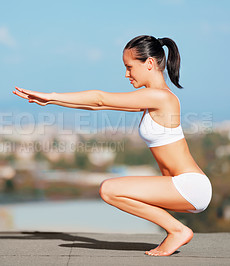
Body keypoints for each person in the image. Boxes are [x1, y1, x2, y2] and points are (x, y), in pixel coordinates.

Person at [13, 35, 212, 256]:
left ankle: (177, 230)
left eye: (129, 67)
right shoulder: (152, 99)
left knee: (109, 189)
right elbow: (97, 107)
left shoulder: (161, 98)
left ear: (149, 63)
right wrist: (52, 101)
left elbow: (100, 99)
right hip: (182, 186)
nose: (126, 74)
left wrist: (51, 95)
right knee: (110, 190)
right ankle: (177, 229)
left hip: (189, 186)